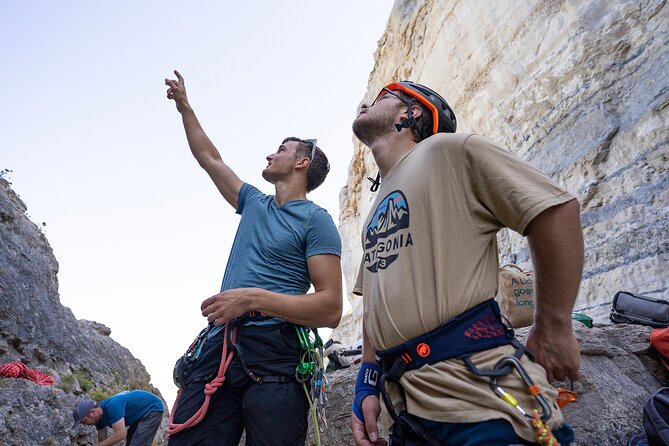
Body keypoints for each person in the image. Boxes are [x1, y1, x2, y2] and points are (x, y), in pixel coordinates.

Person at [349, 81, 584, 446]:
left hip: (479, 394)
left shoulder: (449, 150)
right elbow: (375, 296)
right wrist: (366, 380)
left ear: (410, 113)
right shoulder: (375, 209)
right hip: (406, 411)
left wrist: (553, 323)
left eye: (382, 97)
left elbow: (554, 210)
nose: (366, 103)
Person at [164, 70, 343, 446]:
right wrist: (185, 108)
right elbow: (210, 158)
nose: (269, 153)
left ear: (302, 162)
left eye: (281, 149)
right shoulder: (252, 203)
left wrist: (252, 298)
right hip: (220, 345)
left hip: (276, 352)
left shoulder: (317, 221)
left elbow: (329, 308)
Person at [71, 390, 164, 446]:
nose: (85, 425)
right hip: (140, 413)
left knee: (137, 444)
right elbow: (105, 443)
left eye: (83, 421)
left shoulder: (112, 406)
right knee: (131, 442)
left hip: (153, 408)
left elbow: (120, 434)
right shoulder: (98, 420)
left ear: (92, 412)